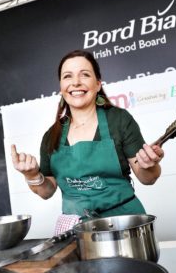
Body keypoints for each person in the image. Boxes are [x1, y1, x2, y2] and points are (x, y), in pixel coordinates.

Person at [11, 49, 164, 234]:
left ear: (98, 83)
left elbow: (147, 178)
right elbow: (46, 192)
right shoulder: (51, 136)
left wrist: (149, 165)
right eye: (67, 76)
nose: (75, 82)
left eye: (84, 75)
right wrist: (32, 175)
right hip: (78, 230)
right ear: (61, 86)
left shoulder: (119, 120)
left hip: (124, 224)